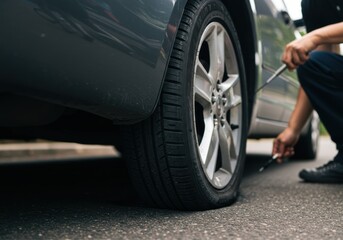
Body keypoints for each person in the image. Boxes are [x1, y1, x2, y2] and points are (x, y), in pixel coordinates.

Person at [272, 0, 343, 183]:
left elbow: (317, 40)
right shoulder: (314, 4)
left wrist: (315, 37)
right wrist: (293, 129)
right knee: (312, 64)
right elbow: (318, 68)